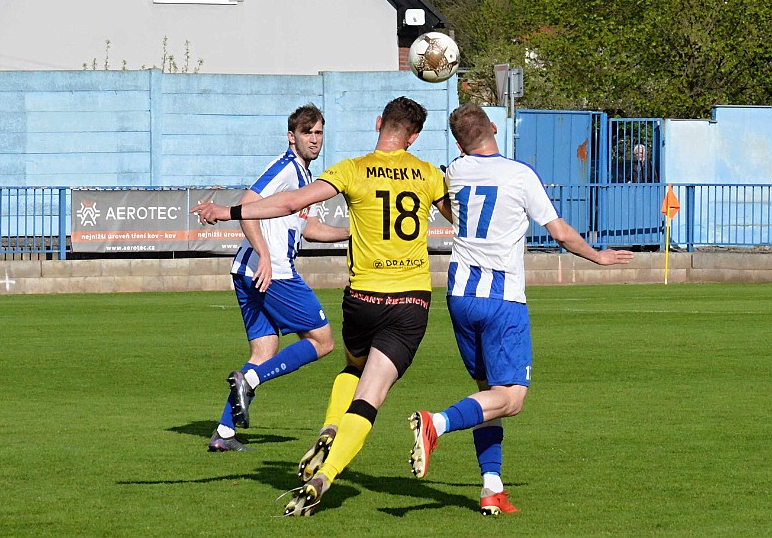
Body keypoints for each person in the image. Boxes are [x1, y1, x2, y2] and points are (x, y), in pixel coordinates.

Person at [193, 96, 452, 516]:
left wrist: (228, 211)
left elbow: (291, 206)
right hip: (409, 303)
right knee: (363, 390)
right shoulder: (428, 174)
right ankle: (326, 472)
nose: (314, 139)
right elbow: (461, 216)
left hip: (363, 301)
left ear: (378, 123)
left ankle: (269, 425)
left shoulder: (350, 168)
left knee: (346, 366)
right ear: (415, 137)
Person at [406, 104, 633, 515]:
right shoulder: (519, 174)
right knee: (512, 399)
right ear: (494, 127)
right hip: (501, 297)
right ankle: (436, 423)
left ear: (459, 143)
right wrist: (597, 257)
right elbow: (560, 231)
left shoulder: (455, 172)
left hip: (459, 294)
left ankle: (491, 487)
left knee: (488, 395)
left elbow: (453, 210)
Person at [207, 104, 349, 452]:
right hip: (273, 273)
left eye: (318, 133)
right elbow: (246, 206)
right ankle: (250, 381)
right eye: (307, 133)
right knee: (323, 341)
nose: (314, 140)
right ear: (292, 137)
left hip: (247, 272)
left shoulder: (304, 178)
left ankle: (224, 434)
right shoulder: (286, 168)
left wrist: (351, 233)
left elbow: (310, 229)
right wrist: (267, 256)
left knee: (264, 350)